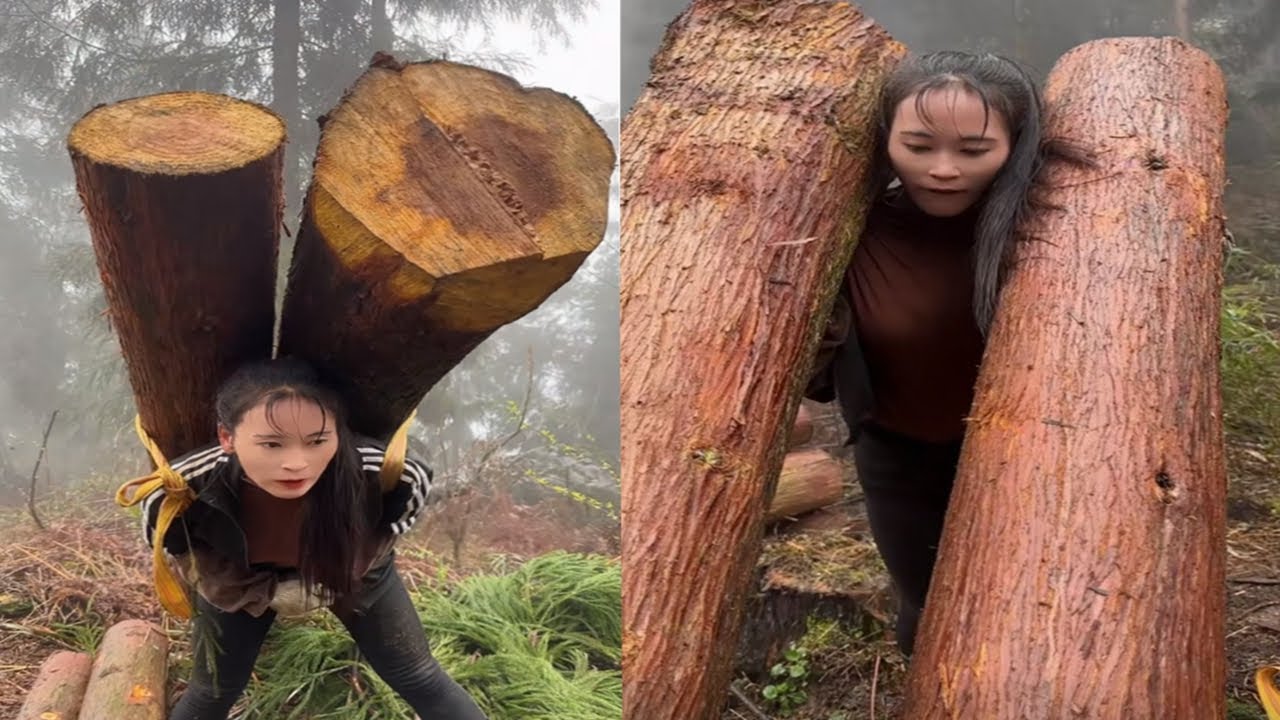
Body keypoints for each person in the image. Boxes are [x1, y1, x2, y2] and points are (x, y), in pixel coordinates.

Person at [806, 51, 1083, 655]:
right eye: (918, 145)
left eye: (974, 150)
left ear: (1015, 144)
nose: (944, 170)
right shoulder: (848, 231)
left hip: (1031, 459)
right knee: (927, 607)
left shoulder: (1057, 229)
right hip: (897, 457)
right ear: (886, 139)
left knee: (1027, 610)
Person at [128, 357, 487, 720]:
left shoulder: (385, 468)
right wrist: (232, 584)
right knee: (211, 693)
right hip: (239, 580)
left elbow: (398, 516)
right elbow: (170, 540)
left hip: (347, 566)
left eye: (317, 441)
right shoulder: (184, 483)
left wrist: (349, 564)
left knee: (419, 676)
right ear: (227, 437)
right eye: (272, 444)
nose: (297, 463)